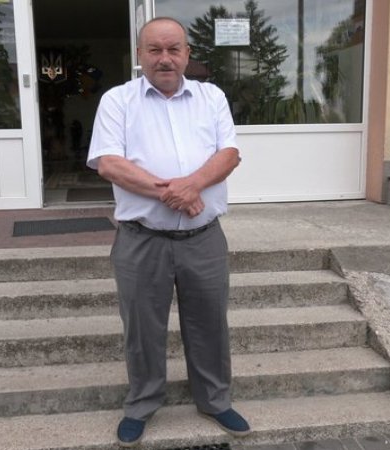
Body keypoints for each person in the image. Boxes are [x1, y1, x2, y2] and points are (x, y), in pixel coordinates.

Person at [87, 17, 250, 447]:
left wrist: (191, 186)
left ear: (187, 54)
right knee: (142, 328)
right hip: (142, 239)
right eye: (155, 50)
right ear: (140, 55)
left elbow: (229, 154)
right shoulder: (118, 101)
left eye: (173, 49)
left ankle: (215, 400)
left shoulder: (211, 98)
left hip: (204, 237)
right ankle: (141, 404)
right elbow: (109, 163)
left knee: (210, 323)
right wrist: (176, 193)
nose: (165, 58)